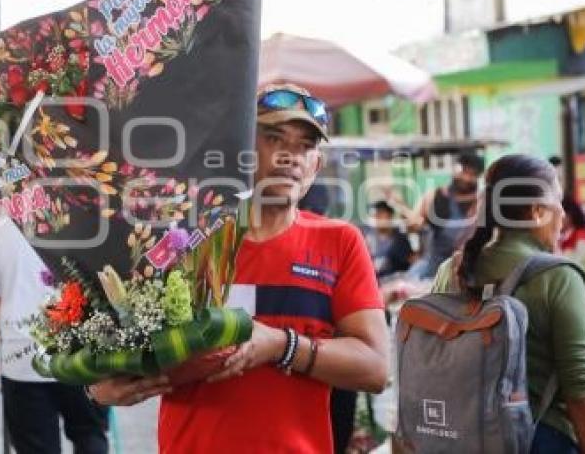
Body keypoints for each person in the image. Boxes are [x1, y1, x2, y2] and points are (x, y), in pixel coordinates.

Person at [89, 84, 390, 453]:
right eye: (274, 138)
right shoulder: (184, 241)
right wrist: (98, 387)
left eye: (305, 146)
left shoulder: (340, 242)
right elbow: (112, 348)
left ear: (316, 164)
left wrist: (281, 345)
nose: (290, 157)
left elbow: (375, 368)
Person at [432, 154, 585, 454]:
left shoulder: (452, 270)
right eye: (558, 203)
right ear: (537, 211)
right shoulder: (559, 278)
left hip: (462, 439)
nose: (563, 214)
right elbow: (583, 393)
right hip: (539, 440)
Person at [0, 218, 109, 453]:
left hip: (22, 361)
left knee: (36, 447)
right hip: (83, 355)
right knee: (90, 435)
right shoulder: (85, 223)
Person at [391, 152, 485, 279]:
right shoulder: (434, 197)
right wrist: (401, 207)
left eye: (472, 174)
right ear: (454, 170)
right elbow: (414, 226)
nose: (466, 178)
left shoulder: (482, 201)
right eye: (463, 172)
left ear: (479, 176)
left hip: (470, 272)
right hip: (434, 271)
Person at [363, 201, 413, 278]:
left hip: (394, 278)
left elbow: (408, 261)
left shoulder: (399, 239)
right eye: (373, 215)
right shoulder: (367, 235)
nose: (376, 217)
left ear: (390, 216)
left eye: (380, 214)